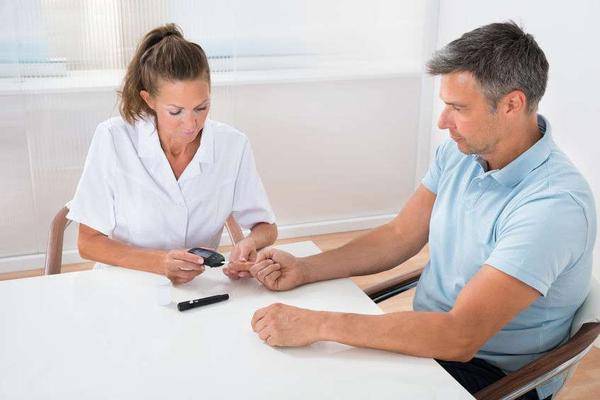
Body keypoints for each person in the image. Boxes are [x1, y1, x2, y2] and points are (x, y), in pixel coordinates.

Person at [233, 22, 596, 400]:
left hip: (491, 374)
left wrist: (319, 324)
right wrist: (305, 268)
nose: (443, 122)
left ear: (511, 105)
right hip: (428, 340)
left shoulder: (553, 207)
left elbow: (460, 337)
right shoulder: (462, 153)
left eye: (458, 108)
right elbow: (399, 235)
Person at [67, 24, 277, 284]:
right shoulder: (113, 138)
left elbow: (266, 227)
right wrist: (158, 262)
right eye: (176, 112)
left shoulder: (233, 145)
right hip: (125, 284)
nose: (191, 124)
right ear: (149, 100)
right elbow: (88, 243)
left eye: (201, 107)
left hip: (198, 288)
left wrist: (249, 244)